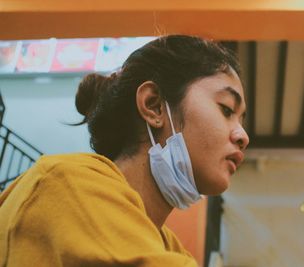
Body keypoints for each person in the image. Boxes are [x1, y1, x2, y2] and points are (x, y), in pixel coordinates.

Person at [0, 35, 249, 266]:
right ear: (154, 106)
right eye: (226, 109)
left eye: (241, 120)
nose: (243, 136)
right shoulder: (66, 182)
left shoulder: (166, 243)